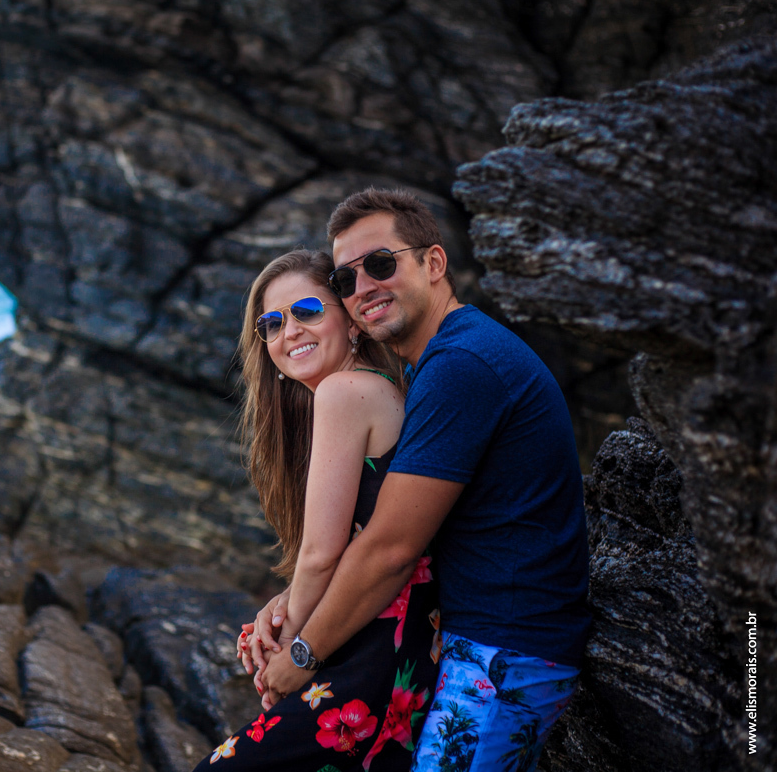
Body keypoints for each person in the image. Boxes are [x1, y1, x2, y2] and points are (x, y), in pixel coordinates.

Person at [256, 189, 590, 772]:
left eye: (381, 264)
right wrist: (287, 605)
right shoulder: (433, 364)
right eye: (345, 279)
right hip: (473, 643)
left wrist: (303, 655)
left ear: (434, 264)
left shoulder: (463, 365)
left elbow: (391, 547)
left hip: (506, 653)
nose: (363, 288)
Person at [193, 249, 440, 772]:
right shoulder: (373, 389)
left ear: (351, 324)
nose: (289, 332)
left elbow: (322, 554)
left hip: (372, 656)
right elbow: (351, 540)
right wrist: (281, 605)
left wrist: (289, 653)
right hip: (392, 646)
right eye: (272, 323)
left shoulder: (344, 392)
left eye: (307, 311)